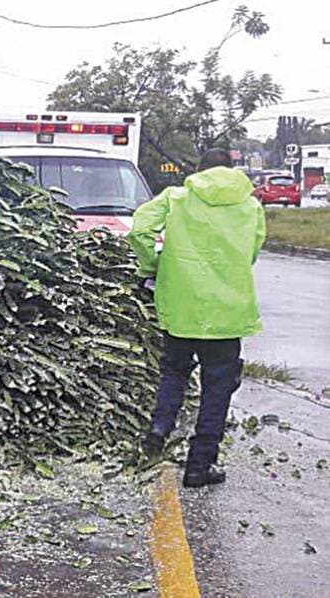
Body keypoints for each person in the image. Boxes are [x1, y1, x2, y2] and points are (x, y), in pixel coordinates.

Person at [128, 148, 266, 488]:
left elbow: (140, 230)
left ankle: (158, 431)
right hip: (227, 313)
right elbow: (251, 252)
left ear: (200, 170)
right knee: (217, 389)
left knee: (174, 372)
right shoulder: (251, 206)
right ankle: (199, 466)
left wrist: (152, 267)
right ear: (232, 171)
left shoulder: (177, 197)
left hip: (181, 307)